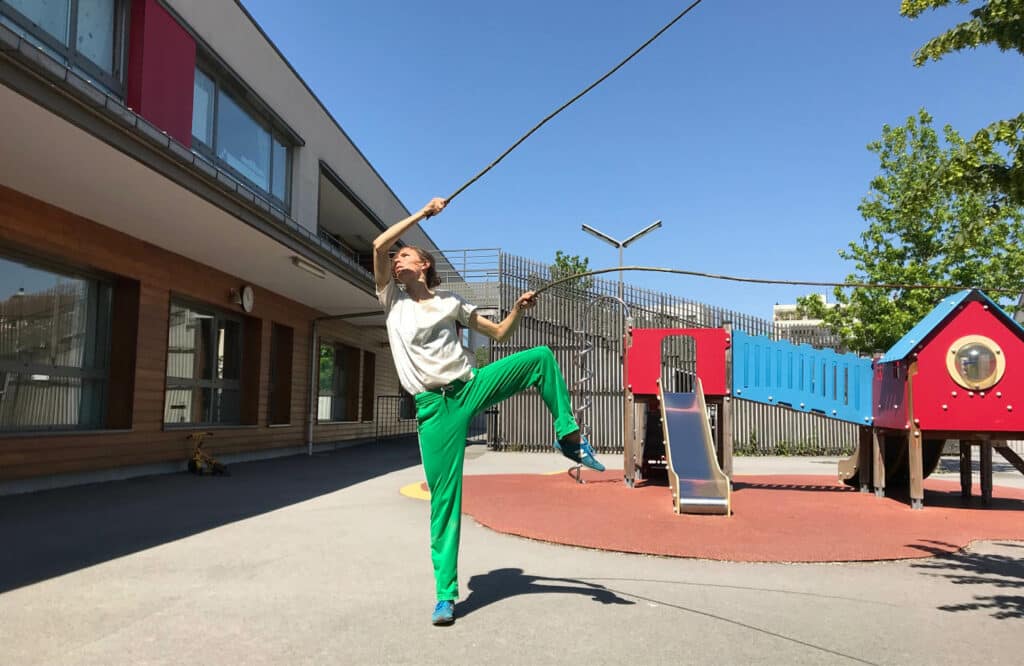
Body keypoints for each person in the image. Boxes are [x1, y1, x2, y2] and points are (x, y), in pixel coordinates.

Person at [373, 197, 605, 626]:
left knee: (539, 357)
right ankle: (445, 595)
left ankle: (569, 436)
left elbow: (498, 332)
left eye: (405, 254)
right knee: (444, 502)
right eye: (396, 257)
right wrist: (423, 215)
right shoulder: (392, 300)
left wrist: (517, 307)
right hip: (433, 409)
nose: (396, 258)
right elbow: (376, 244)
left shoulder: (451, 304)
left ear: (423, 265)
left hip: (470, 386)